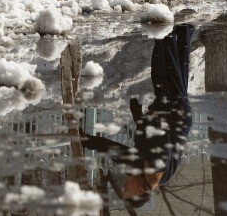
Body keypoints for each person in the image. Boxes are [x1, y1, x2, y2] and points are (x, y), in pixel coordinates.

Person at [80, 23, 194, 209]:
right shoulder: (156, 170)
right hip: (174, 115)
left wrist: (85, 140)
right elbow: (160, 136)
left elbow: (112, 149)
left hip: (170, 116)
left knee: (174, 75)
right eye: (127, 187)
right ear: (141, 190)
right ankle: (165, 28)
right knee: (163, 71)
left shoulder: (139, 169)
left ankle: (183, 31)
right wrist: (147, 118)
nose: (125, 183)